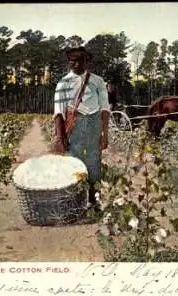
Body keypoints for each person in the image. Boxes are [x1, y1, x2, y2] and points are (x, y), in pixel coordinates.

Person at [53, 46, 110, 207]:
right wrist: (60, 138)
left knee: (94, 162)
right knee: (74, 162)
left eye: (80, 60)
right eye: (72, 61)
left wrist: (105, 135)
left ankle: (94, 201)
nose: (76, 64)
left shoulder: (98, 81)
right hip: (74, 126)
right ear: (69, 62)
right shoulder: (63, 83)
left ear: (86, 61)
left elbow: (105, 110)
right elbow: (58, 113)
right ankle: (75, 202)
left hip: (93, 124)